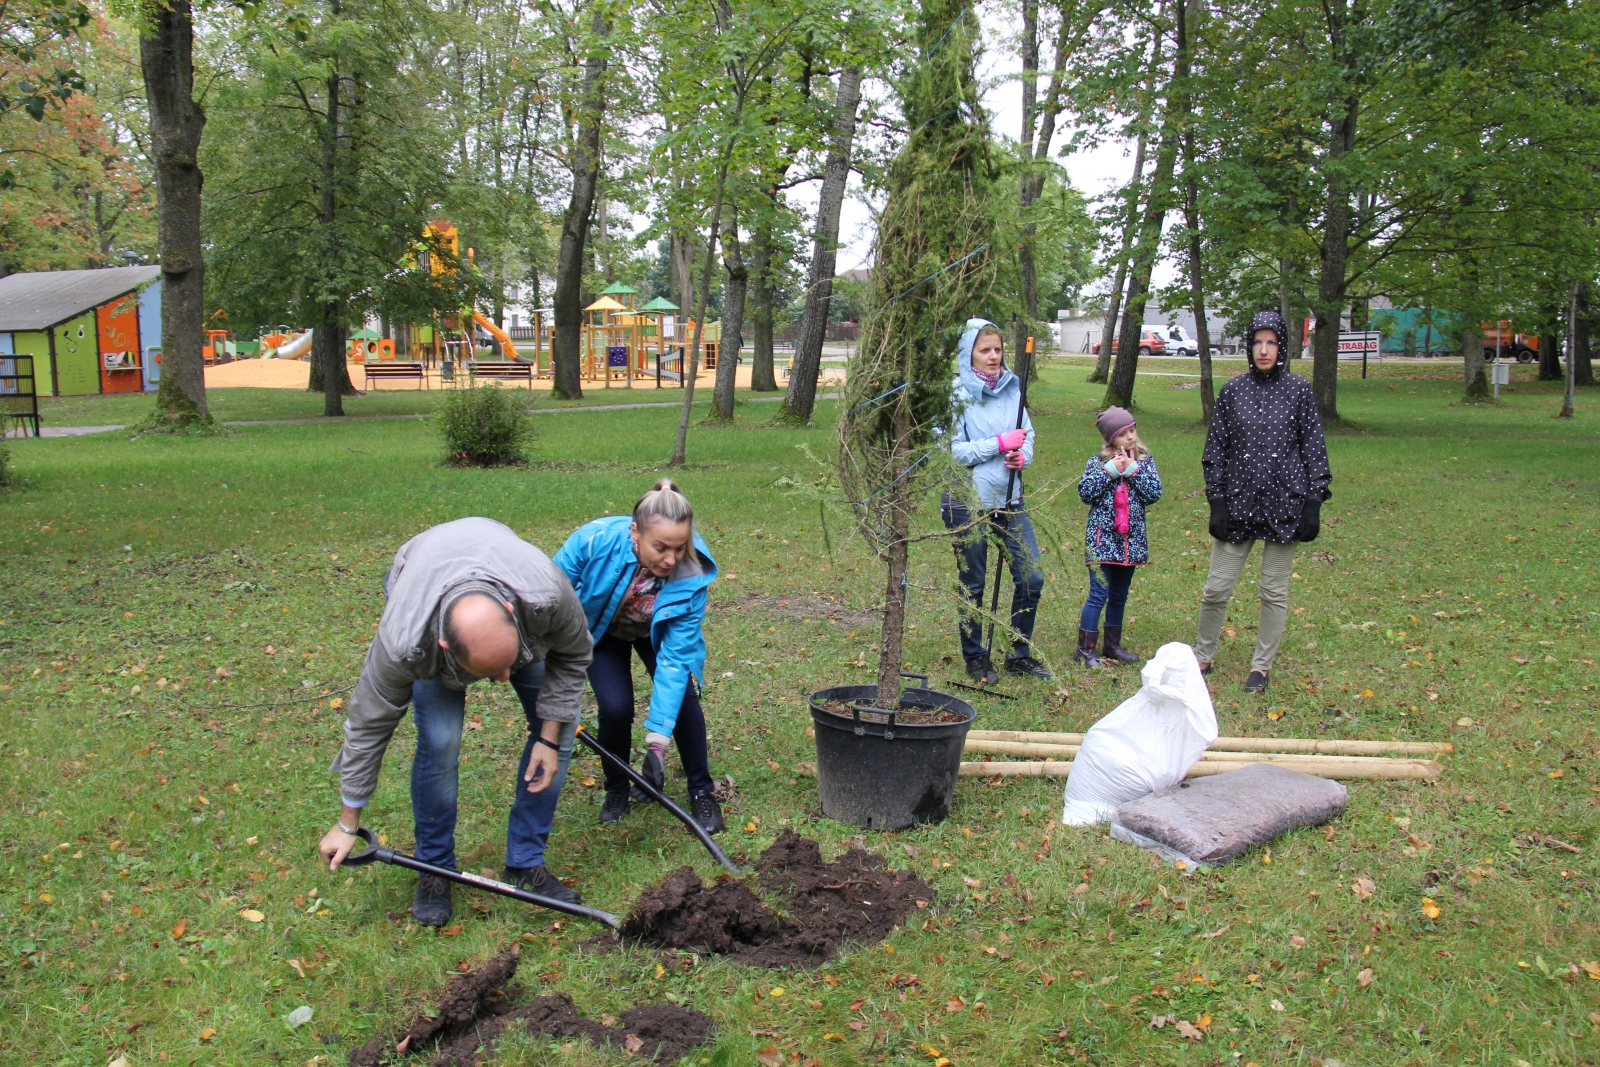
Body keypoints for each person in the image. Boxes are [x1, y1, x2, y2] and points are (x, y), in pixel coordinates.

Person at [316, 517, 594, 927]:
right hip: (421, 577)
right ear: (445, 647)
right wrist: (347, 823)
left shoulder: (547, 593)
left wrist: (549, 738)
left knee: (561, 726)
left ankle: (525, 861)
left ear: (511, 613)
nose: (503, 680)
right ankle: (434, 868)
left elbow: (573, 657)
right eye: (490, 672)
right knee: (440, 741)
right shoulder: (406, 641)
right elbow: (367, 725)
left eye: (507, 666)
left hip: (503, 566)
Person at [553, 479, 725, 833]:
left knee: (684, 700)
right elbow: (549, 592)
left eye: (679, 548)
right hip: (602, 631)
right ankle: (616, 789)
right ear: (635, 532)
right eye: (660, 547)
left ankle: (702, 791)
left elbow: (675, 662)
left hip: (655, 632)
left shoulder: (692, 573)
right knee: (615, 709)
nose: (670, 559)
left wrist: (658, 744)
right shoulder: (594, 540)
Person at [1197, 310, 1332, 693]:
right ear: (1248, 346)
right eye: (1258, 342)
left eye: (1272, 342)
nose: (1264, 350)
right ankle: (1202, 656)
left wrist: (1313, 502)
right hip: (1238, 503)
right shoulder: (1232, 391)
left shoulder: (1299, 391)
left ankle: (1262, 666)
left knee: (1273, 592)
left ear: (1283, 347)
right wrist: (1217, 501)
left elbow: (1313, 449)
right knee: (1216, 589)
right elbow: (1215, 451)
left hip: (1284, 504)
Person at [941, 318, 1051, 683]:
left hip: (1009, 496)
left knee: (1031, 577)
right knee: (973, 582)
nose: (993, 357)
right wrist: (1000, 444)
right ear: (968, 353)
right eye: (984, 350)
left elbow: (1027, 435)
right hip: (965, 499)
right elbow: (953, 453)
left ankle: (1019, 654)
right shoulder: (956, 394)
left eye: (998, 349)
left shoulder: (1012, 390)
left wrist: (1023, 456)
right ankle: (975, 657)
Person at [1075, 406, 1163, 667]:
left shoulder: (1145, 462)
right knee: (1098, 594)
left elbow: (1154, 493)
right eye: (1124, 434)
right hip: (1103, 542)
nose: (1131, 437)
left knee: (1119, 595)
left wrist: (1133, 469)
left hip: (1130, 543)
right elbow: (1085, 492)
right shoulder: (1098, 463)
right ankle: (1085, 648)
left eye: (1133, 431)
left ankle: (1112, 645)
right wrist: (1111, 470)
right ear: (1110, 438)